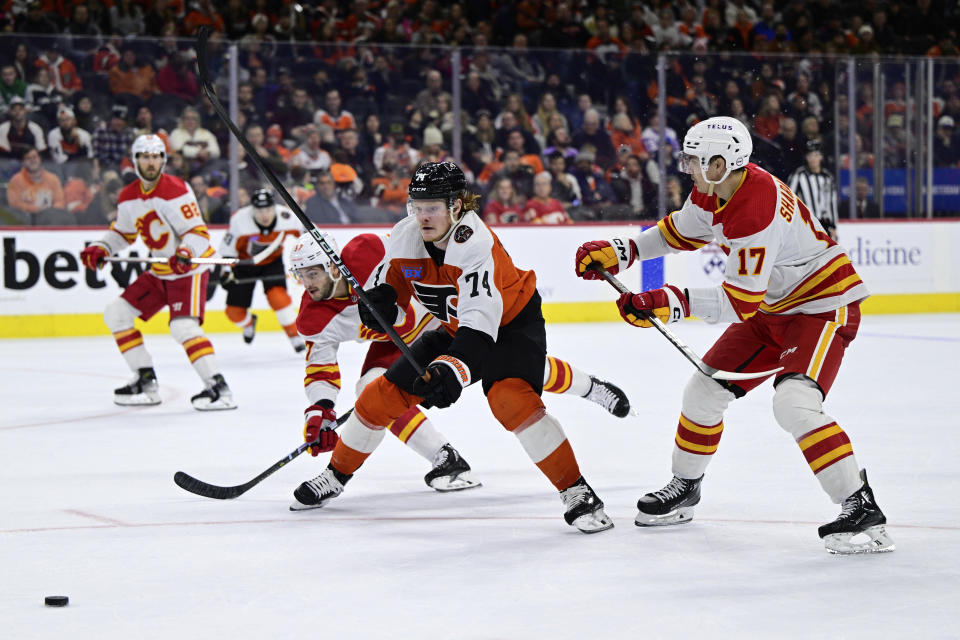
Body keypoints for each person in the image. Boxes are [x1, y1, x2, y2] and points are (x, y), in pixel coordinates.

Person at [574, 116, 893, 554]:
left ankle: (859, 504)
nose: (687, 167)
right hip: (771, 307)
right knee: (703, 392)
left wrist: (668, 300)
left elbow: (739, 302)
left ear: (722, 162)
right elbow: (680, 231)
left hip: (819, 306)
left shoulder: (755, 207)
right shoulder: (714, 187)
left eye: (694, 160)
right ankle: (686, 487)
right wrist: (622, 251)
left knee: (794, 402)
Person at [290, 162, 616, 533]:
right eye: (417, 206)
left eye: (433, 207)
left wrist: (451, 370)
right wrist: (381, 305)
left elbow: (480, 326)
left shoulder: (475, 244)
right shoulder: (405, 234)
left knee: (511, 400)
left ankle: (577, 491)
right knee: (378, 397)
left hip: (510, 326)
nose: (423, 216)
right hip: (454, 326)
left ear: (457, 207)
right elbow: (393, 289)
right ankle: (336, 474)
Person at [79, 134, 236, 411]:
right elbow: (123, 233)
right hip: (161, 268)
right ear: (135, 159)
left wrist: (186, 252)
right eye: (145, 156)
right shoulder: (128, 196)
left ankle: (218, 387)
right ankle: (145, 380)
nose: (151, 162)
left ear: (163, 159)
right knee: (117, 314)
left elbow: (198, 234)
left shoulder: (175, 189)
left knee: (182, 326)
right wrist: (102, 246)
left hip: (189, 270)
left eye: (156, 156)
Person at [219, 188, 305, 351]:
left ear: (274, 208)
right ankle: (249, 323)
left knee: (279, 299)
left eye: (268, 210)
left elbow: (310, 233)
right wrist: (226, 272)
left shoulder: (285, 217)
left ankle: (294, 337)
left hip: (272, 264)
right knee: (234, 313)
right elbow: (227, 251)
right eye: (260, 211)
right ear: (252, 210)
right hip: (244, 265)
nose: (264, 215)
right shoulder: (240, 220)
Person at [788, 140, 839, 240]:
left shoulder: (828, 177)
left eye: (816, 155)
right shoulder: (798, 175)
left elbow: (831, 203)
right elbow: (789, 199)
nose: (813, 159)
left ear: (821, 157)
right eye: (810, 155)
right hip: (804, 225)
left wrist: (833, 226)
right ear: (806, 158)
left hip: (825, 226)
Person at [6, 147, 64, 216]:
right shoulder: (15, 180)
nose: (32, 160)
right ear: (23, 162)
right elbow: (14, 204)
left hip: (49, 219)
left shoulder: (53, 179)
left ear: (40, 159)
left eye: (34, 157)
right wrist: (37, 210)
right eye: (28, 158)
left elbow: (60, 201)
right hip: (24, 221)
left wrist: (50, 212)